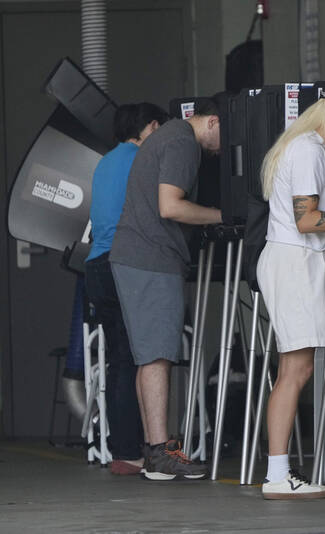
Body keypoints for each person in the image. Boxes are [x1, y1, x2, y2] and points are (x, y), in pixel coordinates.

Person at [110, 97, 223, 481]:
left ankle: (156, 450)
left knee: (148, 356)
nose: (224, 147)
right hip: (151, 257)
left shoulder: (168, 136)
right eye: (225, 134)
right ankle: (160, 454)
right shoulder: (181, 142)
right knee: (158, 354)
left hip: (135, 256)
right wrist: (221, 216)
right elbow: (170, 206)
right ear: (211, 122)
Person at [257, 90, 325, 499]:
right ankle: (278, 475)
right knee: (294, 372)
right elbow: (307, 220)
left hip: (299, 263)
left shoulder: (308, 148)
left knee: (296, 370)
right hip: (296, 262)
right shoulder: (307, 151)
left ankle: (279, 472)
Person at [85, 102, 169, 475]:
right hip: (125, 264)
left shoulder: (106, 161)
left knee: (121, 358)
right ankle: (146, 449)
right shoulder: (141, 160)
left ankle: (126, 452)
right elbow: (162, 208)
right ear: (151, 127)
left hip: (96, 267)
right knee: (142, 358)